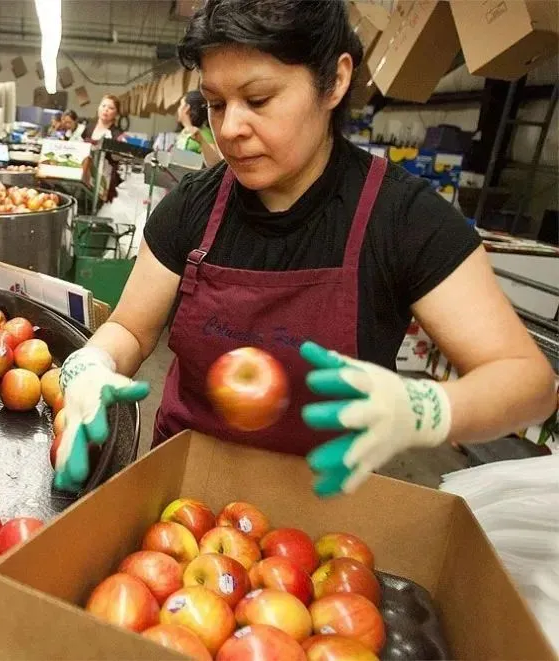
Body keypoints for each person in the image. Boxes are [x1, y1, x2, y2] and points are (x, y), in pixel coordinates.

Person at [53, 0, 556, 494]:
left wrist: (427, 408)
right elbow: (130, 330)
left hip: (319, 527)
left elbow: (529, 384)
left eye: (259, 99)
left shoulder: (402, 218)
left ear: (335, 81)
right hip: (183, 504)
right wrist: (93, 361)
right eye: (216, 103)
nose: (229, 129)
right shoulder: (193, 207)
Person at [175, 90, 222, 167]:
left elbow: (215, 164)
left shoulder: (203, 133)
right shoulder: (184, 132)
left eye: (181, 105)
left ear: (186, 108)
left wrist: (201, 141)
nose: (178, 109)